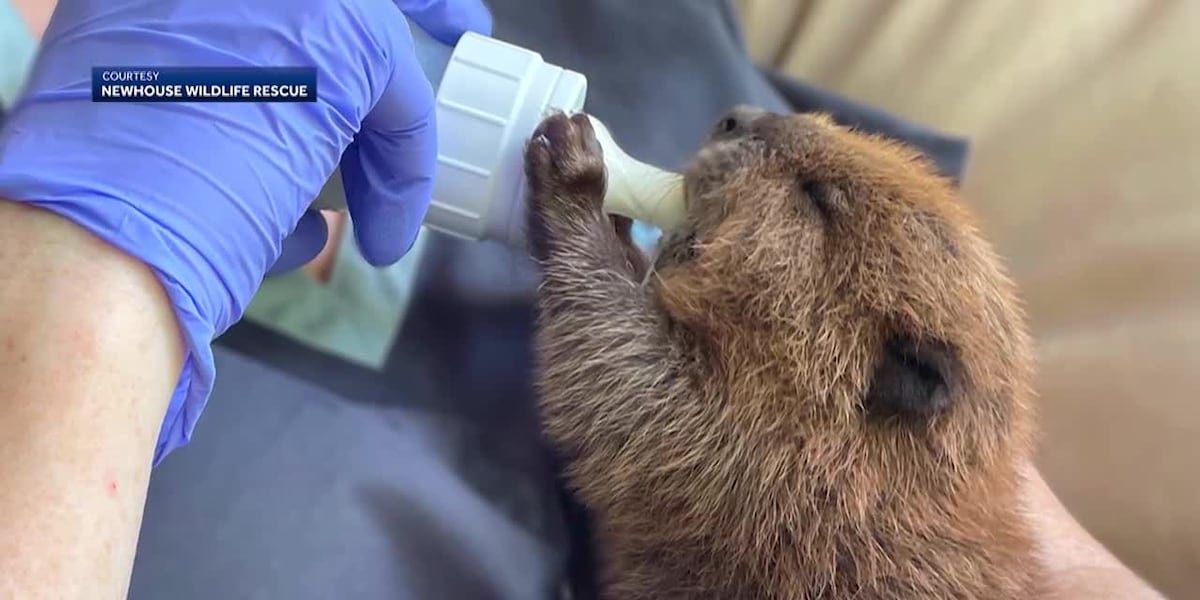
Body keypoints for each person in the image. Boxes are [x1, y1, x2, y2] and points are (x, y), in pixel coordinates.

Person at [0, 0, 1165, 598]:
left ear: (888, 380)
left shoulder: (806, 458)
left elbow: (646, 409)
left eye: (809, 199)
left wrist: (87, 294)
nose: (746, 140)